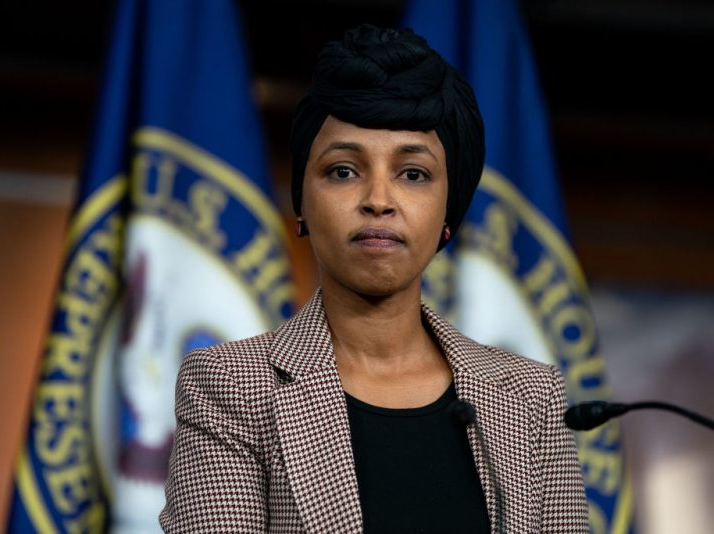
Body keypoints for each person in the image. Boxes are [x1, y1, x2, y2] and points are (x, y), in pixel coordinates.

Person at [160, 24, 588, 533]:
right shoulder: (230, 385)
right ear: (302, 206)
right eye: (343, 171)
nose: (378, 200)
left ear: (448, 214)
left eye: (413, 174)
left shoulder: (529, 396)